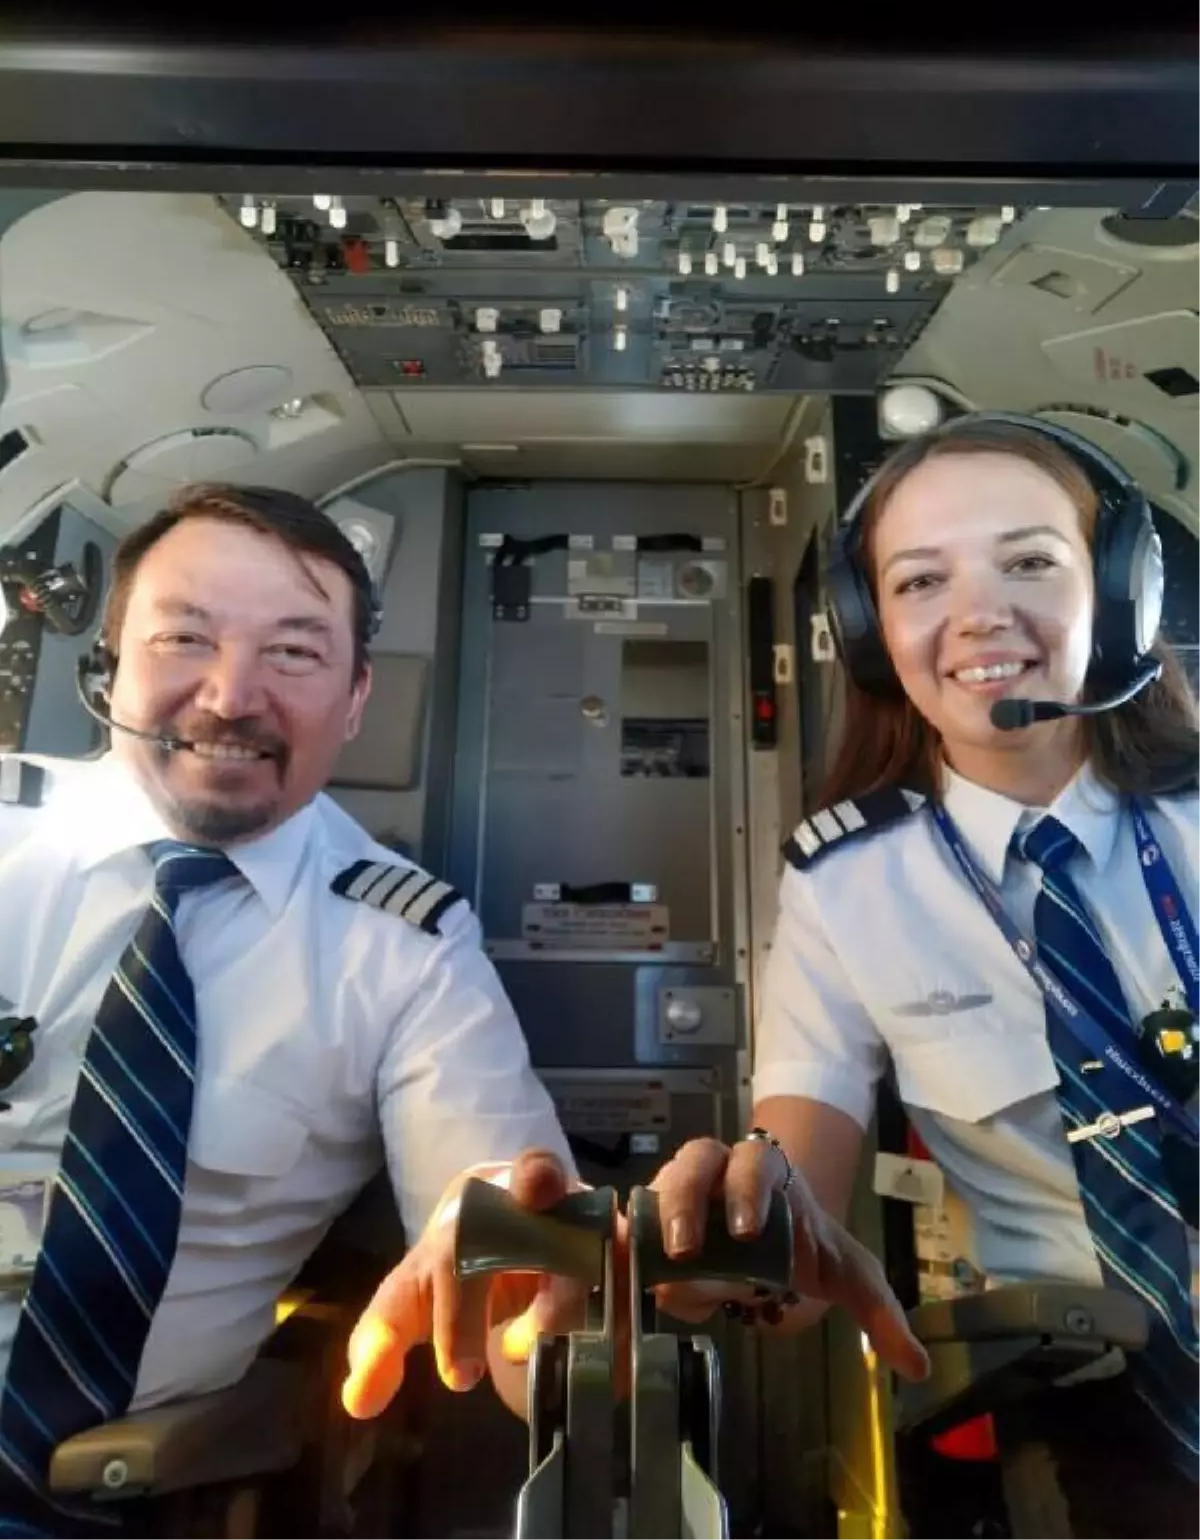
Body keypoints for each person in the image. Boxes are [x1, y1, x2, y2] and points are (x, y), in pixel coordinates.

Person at [0, 480, 922, 1536]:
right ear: (107, 666)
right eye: (184, 639)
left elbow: (513, 1238)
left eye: (295, 653)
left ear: (355, 700)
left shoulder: (404, 943)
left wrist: (563, 1282)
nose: (229, 694)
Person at [647, 413, 1200, 1535]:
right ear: (869, 633)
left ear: (1123, 592)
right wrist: (721, 1234)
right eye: (919, 582)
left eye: (1031, 561)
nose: (980, 613)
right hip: (1099, 1407)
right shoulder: (843, 886)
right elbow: (792, 1197)